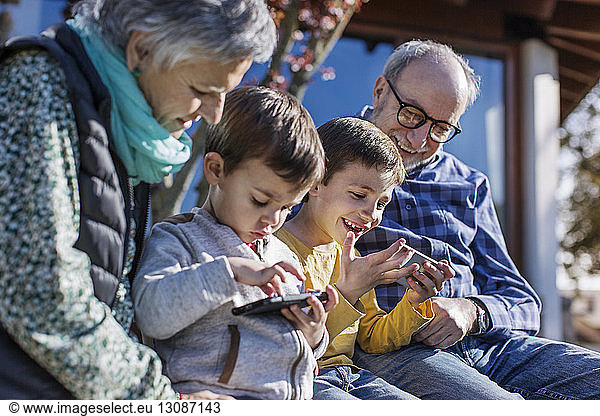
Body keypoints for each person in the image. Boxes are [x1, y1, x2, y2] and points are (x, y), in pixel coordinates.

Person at [0, 0, 276, 399]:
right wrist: (158, 399)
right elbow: (42, 295)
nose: (216, 114)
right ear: (140, 49)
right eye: (202, 90)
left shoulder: (121, 123)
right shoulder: (35, 85)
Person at [352, 39, 600, 400]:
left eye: (440, 128)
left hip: (490, 346)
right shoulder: (328, 160)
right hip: (395, 346)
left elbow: (523, 301)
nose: (419, 139)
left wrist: (472, 311)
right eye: (411, 114)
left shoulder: (470, 184)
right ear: (380, 92)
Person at [132, 86, 338, 400]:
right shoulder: (179, 237)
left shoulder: (283, 255)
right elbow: (151, 315)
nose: (273, 220)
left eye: (286, 208)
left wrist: (314, 334)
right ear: (216, 169)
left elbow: (298, 352)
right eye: (260, 201)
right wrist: (228, 271)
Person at [276, 117, 454, 400]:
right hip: (307, 381)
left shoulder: (349, 256)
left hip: (353, 376)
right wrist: (348, 292)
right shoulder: (276, 251)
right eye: (359, 195)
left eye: (381, 203)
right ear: (315, 183)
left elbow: (371, 338)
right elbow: (286, 347)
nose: (371, 215)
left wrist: (414, 303)